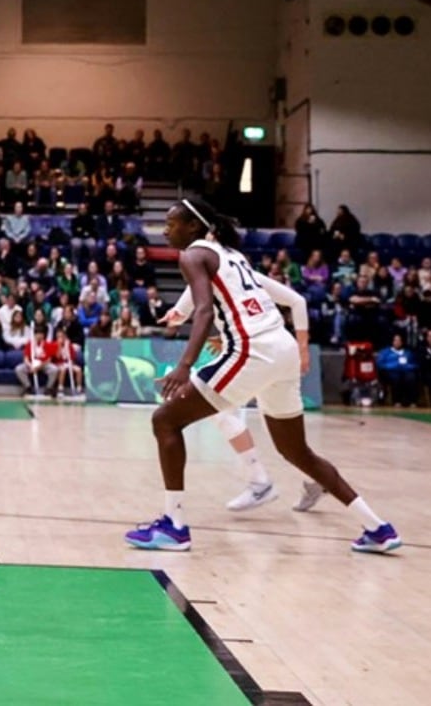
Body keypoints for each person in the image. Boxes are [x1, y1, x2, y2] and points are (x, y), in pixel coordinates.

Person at [125, 197, 399, 554]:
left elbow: (205, 310)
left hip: (252, 350)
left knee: (165, 420)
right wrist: (180, 313)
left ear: (193, 227)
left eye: (171, 223)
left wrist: (184, 365)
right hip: (280, 347)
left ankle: (174, 527)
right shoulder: (231, 255)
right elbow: (213, 301)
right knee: (296, 451)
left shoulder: (193, 254)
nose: (165, 229)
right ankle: (378, 528)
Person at [164, 264, 330, 513]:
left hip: (264, 356)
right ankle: (313, 480)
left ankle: (260, 481)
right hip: (261, 355)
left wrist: (303, 349)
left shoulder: (240, 274)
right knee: (286, 442)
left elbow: (297, 301)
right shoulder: (215, 277)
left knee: (224, 414)